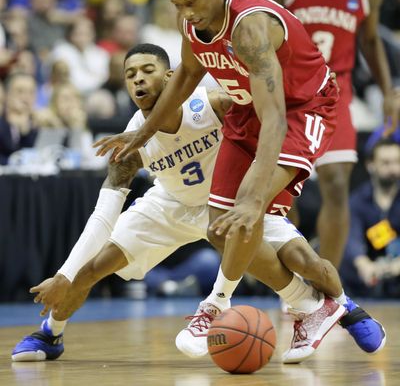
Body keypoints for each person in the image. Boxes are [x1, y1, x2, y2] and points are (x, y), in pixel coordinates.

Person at [93, 0, 386, 362]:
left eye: (191, 1)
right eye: (177, 5)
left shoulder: (249, 28)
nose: (186, 12)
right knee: (220, 230)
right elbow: (186, 76)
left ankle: (214, 305)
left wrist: (253, 196)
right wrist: (142, 132)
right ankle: (325, 307)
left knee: (248, 209)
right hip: (248, 110)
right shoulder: (191, 21)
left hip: (302, 110)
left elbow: (276, 118)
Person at [12, 44, 383, 365]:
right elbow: (103, 214)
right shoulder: (130, 143)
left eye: (147, 70)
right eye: (130, 74)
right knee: (92, 267)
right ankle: (51, 334)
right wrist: (65, 274)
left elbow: (269, 123)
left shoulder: (211, 103)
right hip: (169, 204)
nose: (138, 79)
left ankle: (347, 309)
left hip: (230, 202)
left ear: (171, 75)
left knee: (307, 262)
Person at [266, 0, 398, 268]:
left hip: (335, 94)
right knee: (282, 195)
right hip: (290, 96)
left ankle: (329, 289)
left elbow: (369, 41)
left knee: (337, 185)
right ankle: (290, 274)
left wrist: (387, 93)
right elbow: (260, 34)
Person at [341, 138, 400, 297]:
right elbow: (352, 237)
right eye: (386, 163)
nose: (393, 169)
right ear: (370, 165)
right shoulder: (357, 200)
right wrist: (363, 264)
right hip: (365, 278)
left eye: (397, 162)